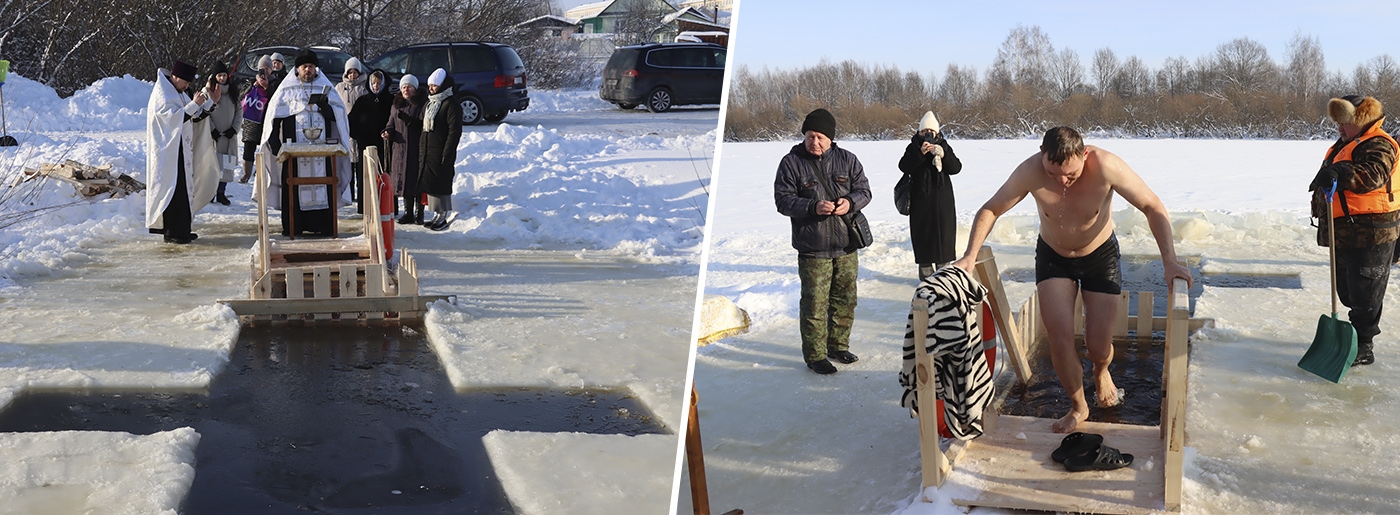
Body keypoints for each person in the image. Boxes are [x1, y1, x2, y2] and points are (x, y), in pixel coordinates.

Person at [951, 126, 1191, 433]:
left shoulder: (1106, 166)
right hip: (1054, 256)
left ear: (1085, 154)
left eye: (1071, 175)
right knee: (1059, 337)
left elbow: (1152, 206)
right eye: (1053, 174)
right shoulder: (1030, 170)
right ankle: (1079, 406)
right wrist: (970, 255)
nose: (1062, 182)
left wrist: (1169, 261)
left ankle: (1101, 371)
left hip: (1100, 256)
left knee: (1098, 345)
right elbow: (991, 208)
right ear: (1042, 156)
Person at [773, 108, 872, 375]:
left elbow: (864, 191)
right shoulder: (791, 163)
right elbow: (782, 201)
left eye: (819, 137)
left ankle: (838, 346)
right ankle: (815, 356)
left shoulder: (848, 160)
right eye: (809, 136)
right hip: (813, 249)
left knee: (845, 299)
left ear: (831, 138)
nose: (814, 142)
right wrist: (813, 207)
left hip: (846, 245)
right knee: (815, 304)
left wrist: (850, 202)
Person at [1309, 95, 1400, 367]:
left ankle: (1364, 346)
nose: (1339, 128)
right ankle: (1354, 336)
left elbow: (1373, 174)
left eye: (1344, 122)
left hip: (1372, 232)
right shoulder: (1347, 143)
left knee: (1365, 293)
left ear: (1359, 120)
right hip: (1347, 229)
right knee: (1348, 292)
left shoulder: (1379, 144)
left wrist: (1341, 172)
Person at [258, 49, 353, 237]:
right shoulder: (286, 89)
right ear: (298, 69)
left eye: (311, 67)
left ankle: (323, 226)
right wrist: (276, 146)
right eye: (304, 67)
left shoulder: (326, 87)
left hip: (322, 151)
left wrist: (325, 107)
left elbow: (338, 118)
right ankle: (295, 226)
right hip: (293, 151)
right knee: (293, 185)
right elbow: (273, 118)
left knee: (324, 184)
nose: (308, 70)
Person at [145, 59, 220, 244]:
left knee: (183, 190)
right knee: (172, 191)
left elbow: (193, 117)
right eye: (185, 82)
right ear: (175, 76)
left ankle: (182, 230)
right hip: (167, 152)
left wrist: (210, 103)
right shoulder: (162, 94)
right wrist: (194, 104)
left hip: (180, 148)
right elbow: (171, 119)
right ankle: (173, 232)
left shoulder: (177, 92)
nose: (187, 86)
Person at [899, 111, 963, 279]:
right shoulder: (913, 146)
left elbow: (956, 168)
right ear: (919, 132)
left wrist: (943, 154)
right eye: (924, 131)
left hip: (943, 205)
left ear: (937, 132)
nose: (927, 134)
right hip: (921, 206)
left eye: (931, 131)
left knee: (944, 245)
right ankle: (927, 284)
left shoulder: (944, 145)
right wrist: (920, 153)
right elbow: (904, 166)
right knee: (924, 247)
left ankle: (945, 282)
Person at [417, 68, 462, 231]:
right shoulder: (430, 103)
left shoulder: (451, 104)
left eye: (434, 86)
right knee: (431, 182)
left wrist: (448, 152)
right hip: (428, 150)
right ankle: (436, 213)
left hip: (442, 149)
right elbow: (422, 123)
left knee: (441, 182)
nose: (431, 89)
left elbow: (454, 131)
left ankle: (443, 214)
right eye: (430, 86)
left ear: (443, 85)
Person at [382, 74, 425, 224]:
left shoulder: (421, 104)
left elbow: (422, 125)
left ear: (415, 88)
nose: (406, 89)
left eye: (409, 86)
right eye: (404, 87)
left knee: (416, 181)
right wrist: (387, 132)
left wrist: (408, 120)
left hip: (416, 147)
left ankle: (419, 213)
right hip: (399, 148)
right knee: (405, 181)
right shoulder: (395, 105)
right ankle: (408, 213)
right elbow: (390, 123)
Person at [350, 68, 393, 208]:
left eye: (379, 83)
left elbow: (395, 121)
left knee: (384, 176)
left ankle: (386, 206)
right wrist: (357, 135)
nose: (376, 86)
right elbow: (352, 121)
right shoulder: (362, 101)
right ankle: (366, 206)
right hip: (366, 146)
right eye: (374, 83)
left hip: (385, 146)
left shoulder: (390, 101)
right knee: (366, 177)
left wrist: (390, 133)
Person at [335, 57, 368, 211]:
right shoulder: (340, 88)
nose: (353, 75)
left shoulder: (365, 87)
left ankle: (363, 199)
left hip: (361, 133)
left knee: (361, 169)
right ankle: (348, 197)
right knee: (347, 169)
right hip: (345, 133)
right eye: (350, 72)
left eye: (355, 72)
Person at [207, 61, 239, 205]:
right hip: (214, 136)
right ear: (215, 77)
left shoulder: (233, 92)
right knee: (213, 166)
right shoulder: (208, 92)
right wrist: (211, 129)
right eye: (219, 75)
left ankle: (221, 193)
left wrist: (234, 129)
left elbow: (239, 111)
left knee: (226, 165)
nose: (222, 78)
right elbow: (205, 112)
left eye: (224, 75)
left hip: (228, 136)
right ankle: (210, 193)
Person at [238, 56, 273, 184]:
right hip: (251, 121)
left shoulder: (275, 82)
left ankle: (261, 172)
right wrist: (252, 86)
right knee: (248, 148)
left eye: (267, 69)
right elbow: (241, 96)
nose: (264, 71)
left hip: (265, 120)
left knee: (265, 148)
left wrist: (267, 87)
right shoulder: (251, 81)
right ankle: (246, 174)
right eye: (262, 68)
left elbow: (276, 98)